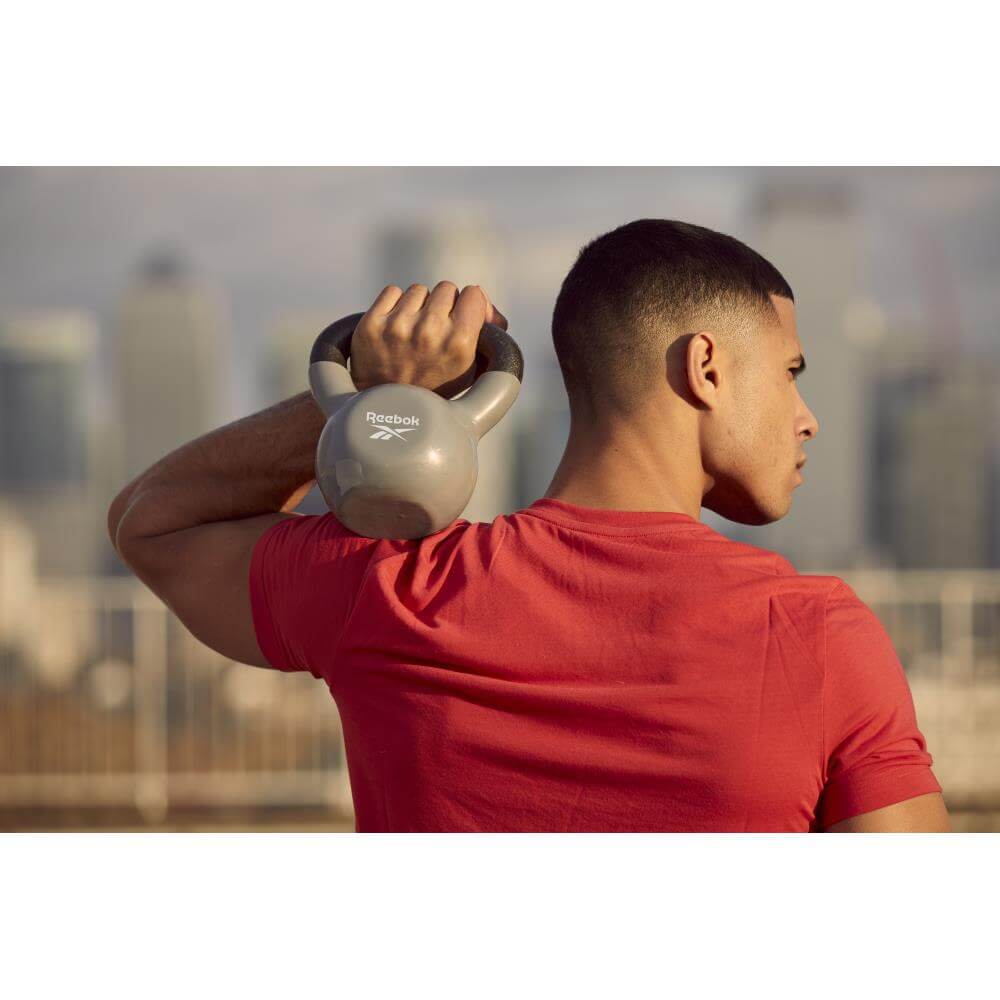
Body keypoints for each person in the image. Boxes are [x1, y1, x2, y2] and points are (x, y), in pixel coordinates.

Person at [108, 218, 950, 832]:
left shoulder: (395, 588)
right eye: (791, 374)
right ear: (706, 368)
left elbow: (153, 522)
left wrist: (377, 394)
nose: (807, 418)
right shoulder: (820, 634)